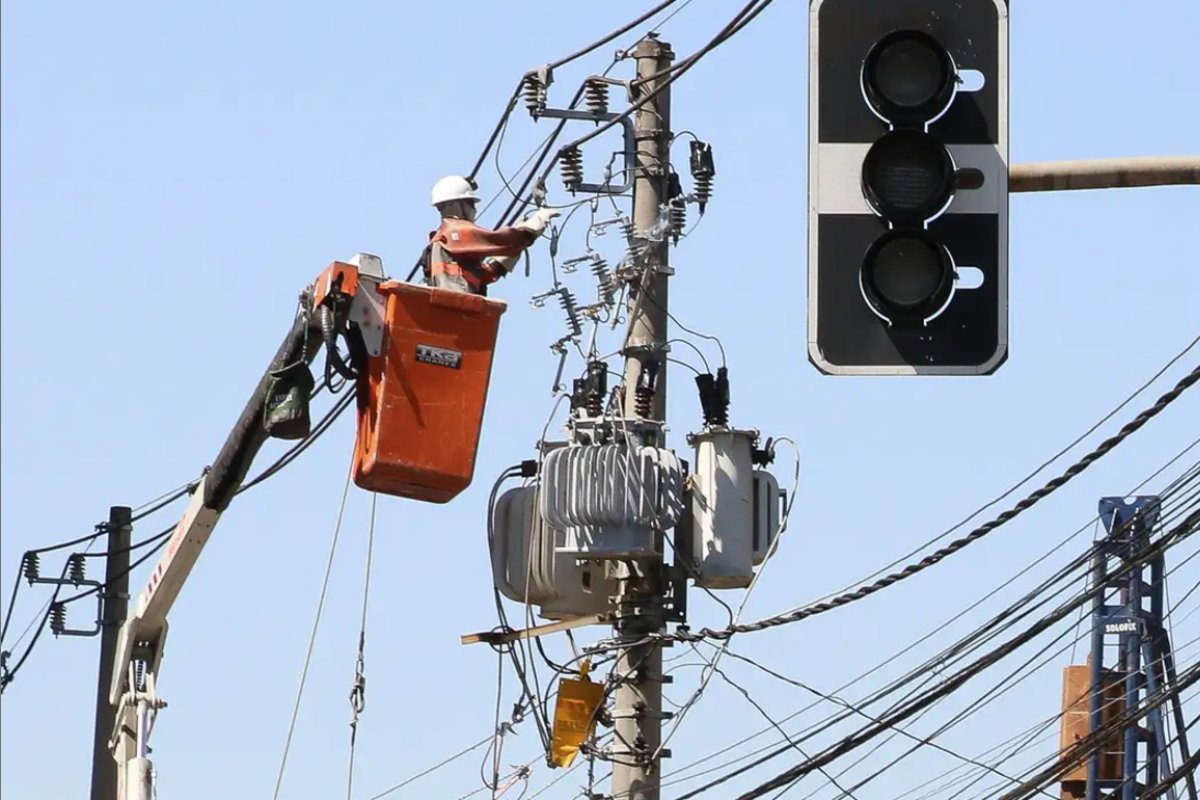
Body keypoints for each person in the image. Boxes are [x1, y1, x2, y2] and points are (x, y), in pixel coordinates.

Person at [425, 175, 560, 295]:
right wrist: (537, 221)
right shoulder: (454, 232)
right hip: (458, 307)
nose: (475, 210)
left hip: (457, 310)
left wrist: (515, 246)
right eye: (470, 204)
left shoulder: (443, 241)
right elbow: (504, 241)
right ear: (453, 205)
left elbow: (486, 274)